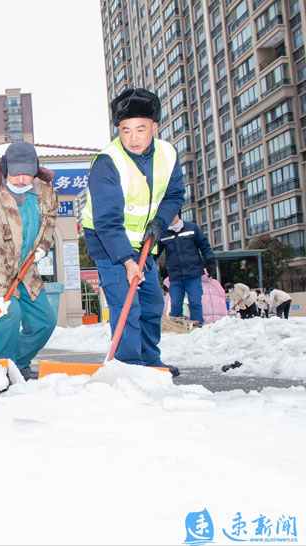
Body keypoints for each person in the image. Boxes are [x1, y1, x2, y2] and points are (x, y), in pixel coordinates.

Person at [82, 88, 185, 375]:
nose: (133, 138)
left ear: (154, 126)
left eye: (141, 129)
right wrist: (127, 262)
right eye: (126, 130)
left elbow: (175, 194)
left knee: (151, 302)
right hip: (109, 244)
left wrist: (160, 221)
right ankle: (129, 366)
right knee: (126, 305)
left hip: (145, 241)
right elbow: (106, 221)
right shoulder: (108, 161)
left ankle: (150, 362)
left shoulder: (168, 154)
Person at [0, 142, 59, 381]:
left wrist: (43, 246)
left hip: (25, 267)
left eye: (28, 172)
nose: (22, 179)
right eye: (16, 173)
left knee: (44, 322)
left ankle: (16, 364)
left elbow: (50, 219)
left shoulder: (44, 189)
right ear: (5, 168)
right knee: (8, 315)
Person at [156, 212, 216, 324]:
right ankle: (177, 326)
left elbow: (204, 245)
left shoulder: (191, 228)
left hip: (193, 272)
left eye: (173, 214)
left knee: (195, 301)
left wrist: (210, 261)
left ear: (178, 214)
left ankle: (197, 324)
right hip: (175, 275)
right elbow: (155, 252)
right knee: (176, 303)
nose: (170, 217)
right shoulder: (163, 233)